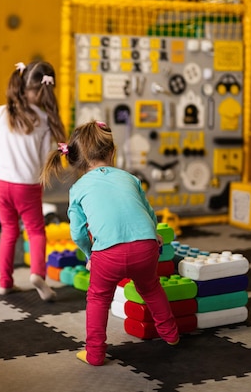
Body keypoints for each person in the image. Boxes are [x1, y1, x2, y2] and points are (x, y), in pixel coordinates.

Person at [41, 120, 179, 366]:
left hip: (108, 255)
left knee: (98, 299)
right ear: (112, 151)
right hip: (146, 248)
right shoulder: (130, 178)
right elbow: (148, 213)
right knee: (151, 288)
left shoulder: (78, 187)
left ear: (76, 159)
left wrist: (89, 255)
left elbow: (78, 232)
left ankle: (95, 353)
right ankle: (171, 334)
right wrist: (153, 234)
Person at [0, 60, 66, 302]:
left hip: (1, 181)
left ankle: (4, 283)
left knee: (9, 230)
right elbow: (43, 159)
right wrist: (36, 179)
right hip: (27, 184)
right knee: (35, 230)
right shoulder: (44, 119)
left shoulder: (1, 112)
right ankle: (37, 274)